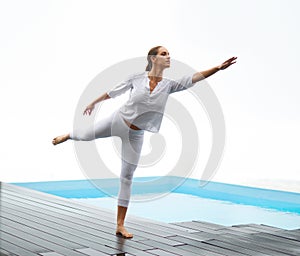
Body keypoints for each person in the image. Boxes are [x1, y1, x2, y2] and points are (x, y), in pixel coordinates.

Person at [52, 46, 237, 238]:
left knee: (127, 177)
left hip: (136, 135)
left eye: (168, 54)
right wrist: (93, 103)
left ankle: (120, 225)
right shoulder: (137, 78)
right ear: (153, 58)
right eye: (164, 54)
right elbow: (113, 92)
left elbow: (194, 78)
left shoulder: (169, 85)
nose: (168, 56)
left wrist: (218, 68)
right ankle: (68, 135)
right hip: (117, 121)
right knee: (86, 135)